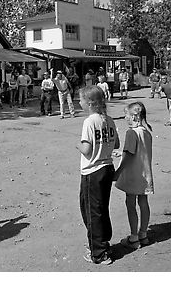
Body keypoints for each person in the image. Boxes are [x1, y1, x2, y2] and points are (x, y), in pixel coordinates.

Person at [77, 85, 120, 265]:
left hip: (92, 170)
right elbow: (116, 143)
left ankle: (98, 252)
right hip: (107, 168)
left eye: (80, 99)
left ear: (89, 103)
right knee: (101, 208)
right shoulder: (109, 119)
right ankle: (103, 242)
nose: (79, 102)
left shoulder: (89, 121)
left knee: (91, 210)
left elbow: (86, 150)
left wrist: (77, 145)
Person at [114, 102, 154, 249]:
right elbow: (139, 150)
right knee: (143, 202)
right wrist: (122, 152)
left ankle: (133, 237)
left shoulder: (131, 132)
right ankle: (143, 234)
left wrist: (118, 172)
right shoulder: (146, 130)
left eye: (127, 115)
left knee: (130, 204)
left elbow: (130, 154)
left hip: (132, 174)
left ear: (135, 116)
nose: (125, 118)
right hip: (145, 173)